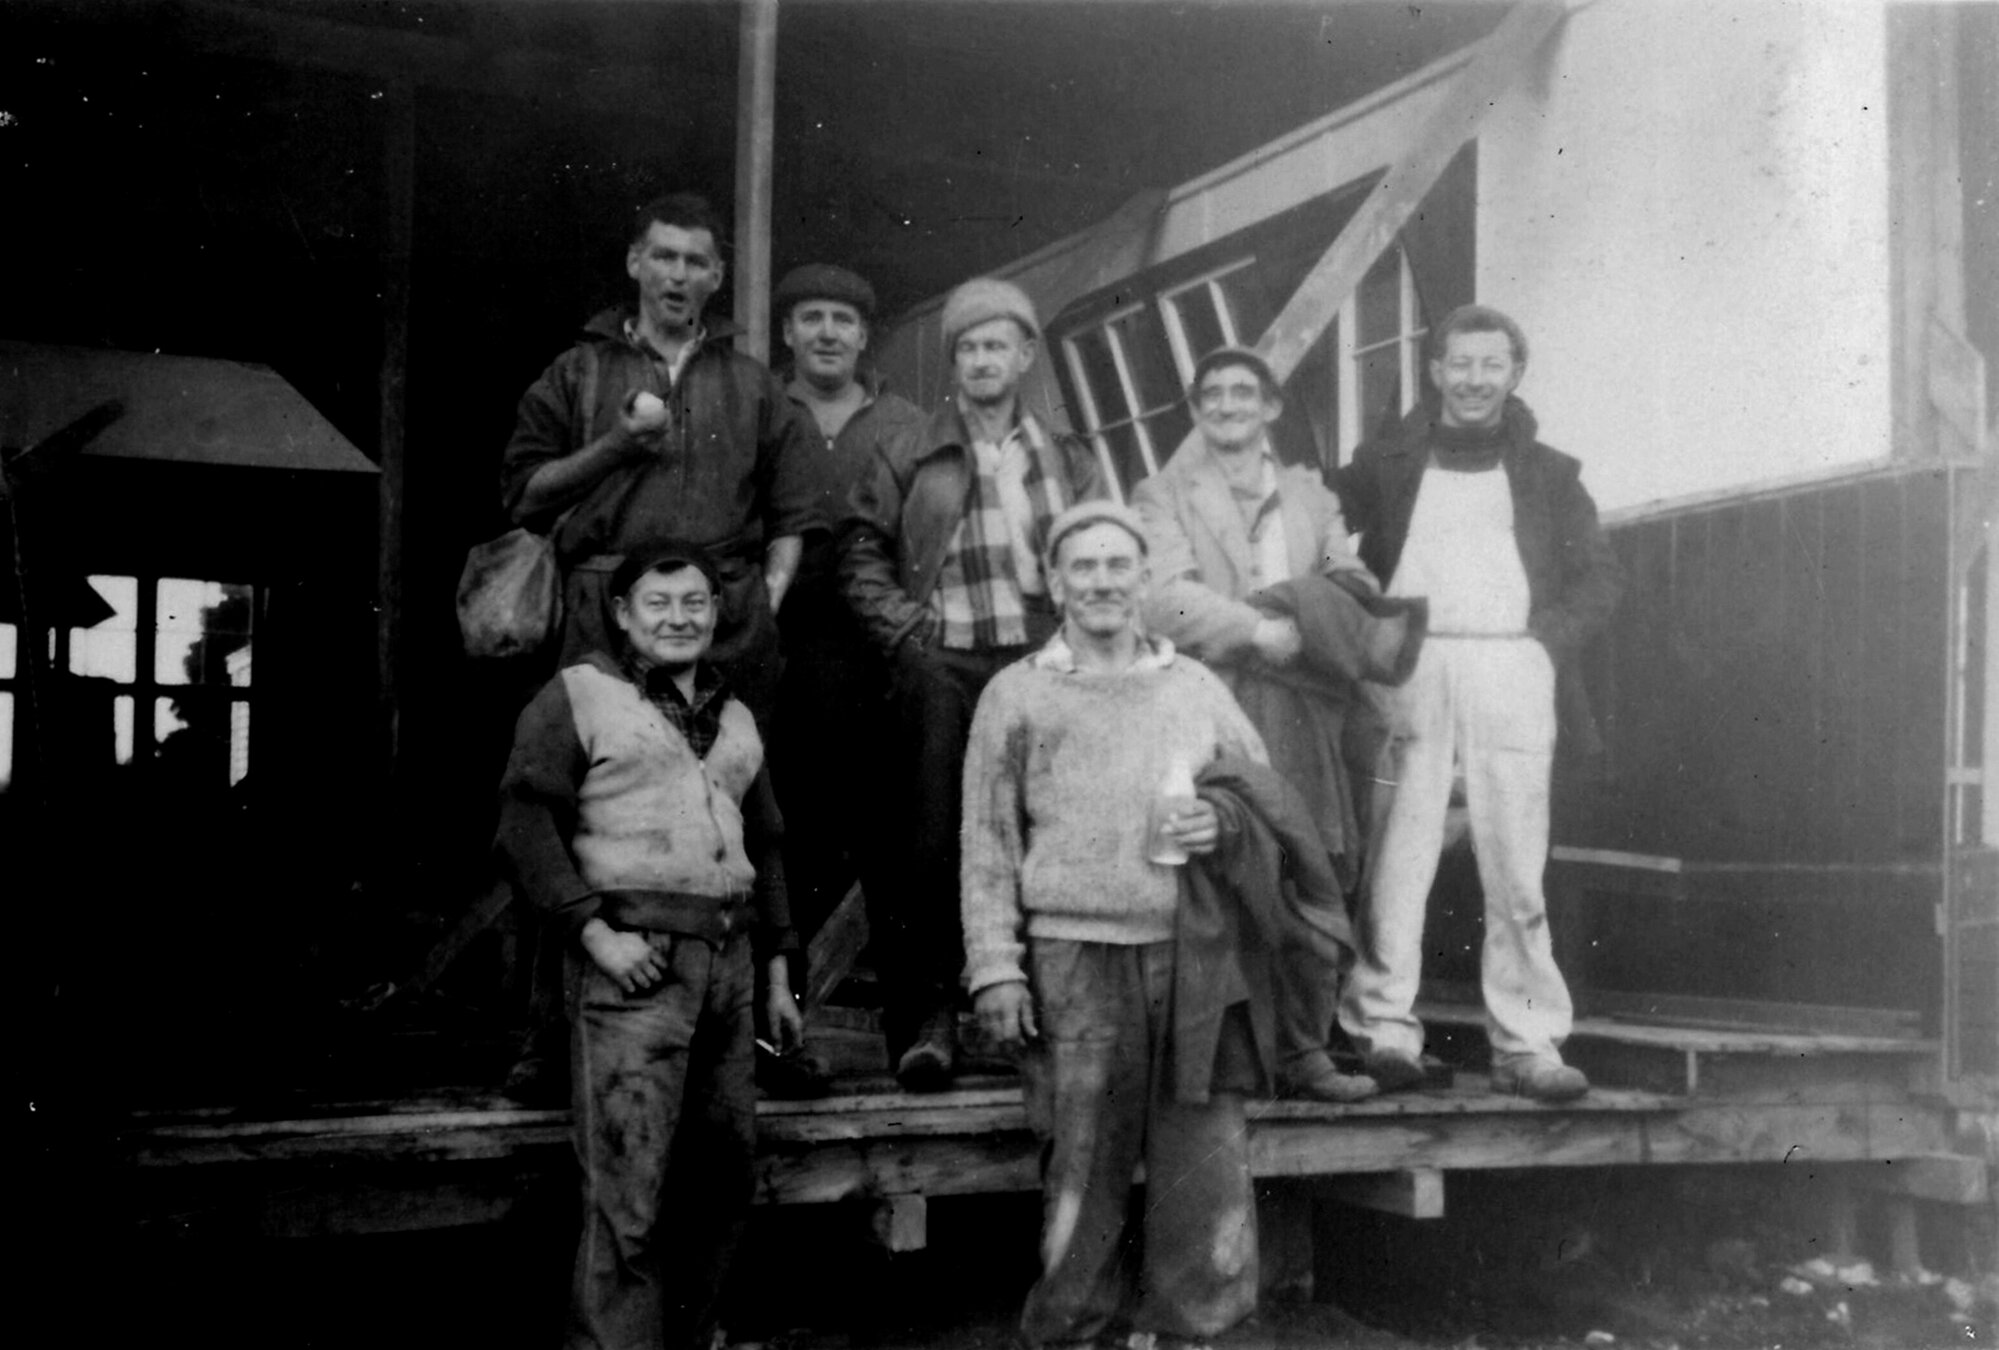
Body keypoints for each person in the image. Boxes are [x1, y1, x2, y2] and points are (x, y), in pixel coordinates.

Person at [961, 501, 1271, 1349]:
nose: (1100, 581)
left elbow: (1261, 799)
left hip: (1190, 954)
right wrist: (995, 967)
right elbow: (985, 842)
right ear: (1055, 584)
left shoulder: (1195, 686)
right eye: (1082, 567)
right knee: (1081, 1160)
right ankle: (1067, 1329)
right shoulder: (1015, 694)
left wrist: (1221, 824)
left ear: (1143, 581)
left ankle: (1198, 1329)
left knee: (1203, 1156)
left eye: (1116, 565)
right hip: (1071, 956)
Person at [495, 541, 803, 1350]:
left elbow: (764, 844)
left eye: (694, 602)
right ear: (624, 615)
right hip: (633, 968)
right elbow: (525, 827)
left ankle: (698, 1337)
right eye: (659, 604)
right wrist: (596, 936)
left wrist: (777, 974)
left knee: (721, 1183)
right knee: (627, 1193)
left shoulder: (735, 714)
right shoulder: (577, 695)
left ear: (715, 612)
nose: (679, 618)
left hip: (731, 970)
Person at [1333, 304, 1622, 1103]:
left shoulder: (1551, 474)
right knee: (1398, 852)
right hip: (1412, 665)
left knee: (1516, 862)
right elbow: (1320, 529)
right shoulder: (1385, 461)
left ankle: (1527, 1044)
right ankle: (1381, 1030)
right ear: (1435, 372)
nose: (1473, 381)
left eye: (1490, 365)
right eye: (1459, 364)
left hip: (1511, 666)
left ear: (1514, 373)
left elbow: (1600, 580)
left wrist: (1543, 644)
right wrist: (1360, 623)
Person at [1133, 344, 1425, 1101]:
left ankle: (1303, 1051)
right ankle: (1228, 1056)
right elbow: (1164, 599)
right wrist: (1264, 629)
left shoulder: (1310, 497)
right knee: (1226, 867)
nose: (1227, 406)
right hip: (1214, 700)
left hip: (1308, 707)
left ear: (1269, 408)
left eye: (1242, 393)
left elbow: (1348, 579)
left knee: (1312, 864)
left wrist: (1302, 599)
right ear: (1197, 413)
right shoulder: (1161, 495)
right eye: (1211, 396)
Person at [839, 277, 1104, 1089]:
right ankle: (927, 1024)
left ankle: (1054, 1022)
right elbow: (858, 552)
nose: (983, 360)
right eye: (968, 347)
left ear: (1025, 356)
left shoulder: (1065, 453)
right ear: (951, 362)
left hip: (1037, 662)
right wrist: (907, 634)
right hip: (941, 660)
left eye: (998, 344)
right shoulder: (910, 446)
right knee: (927, 839)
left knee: (1053, 833)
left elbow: (1100, 547)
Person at [499, 191, 820, 726]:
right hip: (604, 623)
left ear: (716, 276)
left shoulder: (753, 384)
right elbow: (522, 497)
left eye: (695, 262)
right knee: (605, 790)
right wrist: (615, 446)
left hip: (722, 624)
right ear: (634, 263)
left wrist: (763, 601)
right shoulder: (576, 373)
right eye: (663, 257)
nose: (678, 275)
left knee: (720, 789)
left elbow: (793, 515)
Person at [768, 264, 925, 938]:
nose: (827, 333)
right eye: (811, 318)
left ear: (863, 337)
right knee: (785, 818)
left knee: (882, 820)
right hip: (780, 649)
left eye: (843, 321)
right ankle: (781, 996)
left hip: (875, 655)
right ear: (786, 332)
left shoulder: (908, 423)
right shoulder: (760, 410)